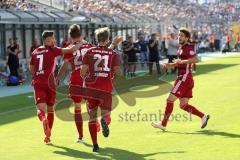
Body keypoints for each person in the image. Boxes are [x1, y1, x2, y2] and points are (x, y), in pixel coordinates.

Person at [56, 24, 122, 143]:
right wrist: (114, 44)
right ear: (81, 34)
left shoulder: (69, 48)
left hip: (76, 80)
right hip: (92, 79)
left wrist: (57, 78)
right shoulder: (89, 46)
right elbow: (104, 52)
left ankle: (81, 136)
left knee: (78, 108)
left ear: (70, 36)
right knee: (95, 103)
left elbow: (65, 65)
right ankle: (97, 121)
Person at [29, 30, 84, 143]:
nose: (54, 40)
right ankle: (48, 136)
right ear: (48, 40)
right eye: (53, 39)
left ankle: (43, 120)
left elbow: (31, 68)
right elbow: (71, 50)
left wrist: (37, 75)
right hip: (51, 83)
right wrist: (81, 42)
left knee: (40, 109)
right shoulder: (53, 49)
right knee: (51, 110)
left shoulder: (35, 52)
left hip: (39, 83)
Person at [151, 28, 210, 131]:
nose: (179, 37)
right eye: (179, 35)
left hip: (184, 78)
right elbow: (180, 61)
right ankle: (203, 116)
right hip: (186, 78)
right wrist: (171, 65)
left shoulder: (189, 47)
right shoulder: (180, 48)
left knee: (170, 99)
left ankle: (163, 124)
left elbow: (196, 59)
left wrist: (182, 62)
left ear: (187, 38)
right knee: (183, 105)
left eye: (182, 35)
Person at [81, 27, 121, 152]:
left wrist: (85, 79)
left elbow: (83, 71)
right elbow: (117, 71)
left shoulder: (89, 51)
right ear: (107, 39)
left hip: (91, 88)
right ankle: (105, 120)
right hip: (105, 89)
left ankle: (95, 145)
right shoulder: (113, 54)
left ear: (97, 39)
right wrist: (111, 79)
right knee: (106, 115)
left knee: (92, 117)